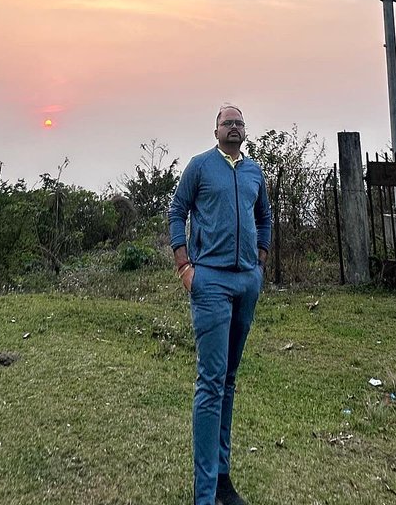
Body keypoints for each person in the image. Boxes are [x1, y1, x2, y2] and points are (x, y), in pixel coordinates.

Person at [169, 105, 272, 505]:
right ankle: (205, 494)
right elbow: (177, 212)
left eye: (240, 122)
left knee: (228, 381)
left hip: (246, 282)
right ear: (215, 130)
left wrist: (260, 262)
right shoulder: (200, 166)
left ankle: (223, 480)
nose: (234, 127)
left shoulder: (253, 171)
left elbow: (264, 216)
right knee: (211, 384)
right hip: (208, 280)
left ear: (245, 131)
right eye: (227, 122)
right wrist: (185, 267)